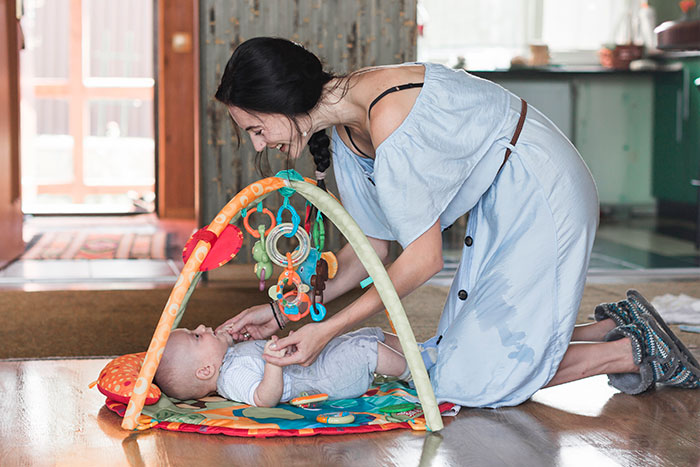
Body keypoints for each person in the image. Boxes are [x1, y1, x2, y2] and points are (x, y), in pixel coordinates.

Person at [214, 37, 699, 407]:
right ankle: (614, 326)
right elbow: (372, 251)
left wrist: (326, 331)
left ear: (284, 100)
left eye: (257, 129)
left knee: (470, 379)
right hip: (498, 202)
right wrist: (283, 314)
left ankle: (633, 351)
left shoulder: (391, 121)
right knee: (456, 352)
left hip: (540, 190)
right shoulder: (344, 129)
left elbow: (422, 262)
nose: (258, 144)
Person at [154, 324, 410, 407]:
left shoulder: (229, 359)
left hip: (315, 362)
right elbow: (264, 398)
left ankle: (417, 352)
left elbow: (248, 352)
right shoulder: (230, 379)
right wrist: (273, 364)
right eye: (196, 336)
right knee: (365, 350)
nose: (202, 327)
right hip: (324, 378)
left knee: (368, 333)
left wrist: (234, 340)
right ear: (206, 371)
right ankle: (417, 374)